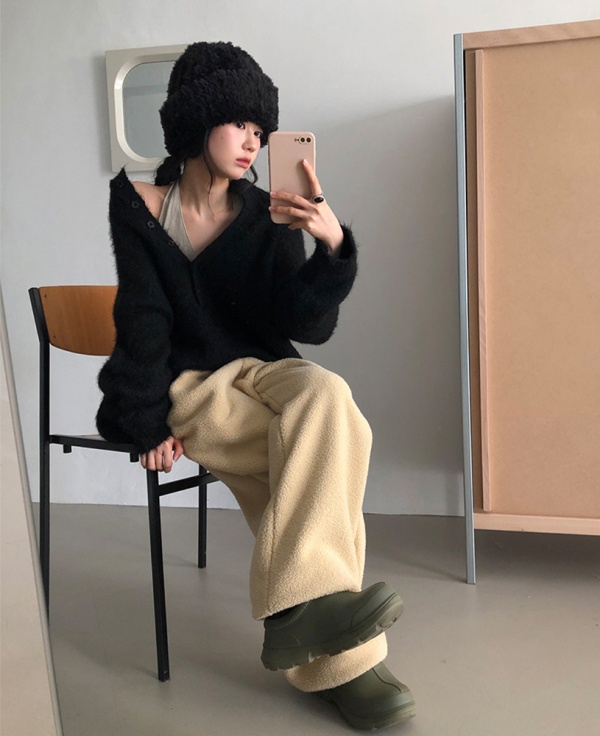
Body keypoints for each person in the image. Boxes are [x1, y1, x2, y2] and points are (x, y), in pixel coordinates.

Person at [97, 41, 415, 730]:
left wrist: (331, 247)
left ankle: (297, 618)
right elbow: (143, 320)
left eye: (262, 130)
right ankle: (346, 663)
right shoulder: (140, 205)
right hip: (189, 384)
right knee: (320, 456)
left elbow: (304, 325)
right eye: (241, 123)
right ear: (197, 118)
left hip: (262, 369)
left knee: (329, 401)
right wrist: (145, 421)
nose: (254, 142)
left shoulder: (269, 210)